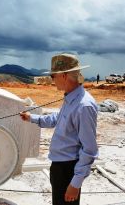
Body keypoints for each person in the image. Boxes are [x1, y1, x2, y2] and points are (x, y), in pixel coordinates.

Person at [20, 53, 98, 205]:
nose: (52, 79)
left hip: (68, 169)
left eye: (53, 76)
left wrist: (75, 184)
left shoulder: (84, 106)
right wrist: (32, 118)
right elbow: (58, 119)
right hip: (59, 166)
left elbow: (89, 149)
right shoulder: (71, 98)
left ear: (63, 75)